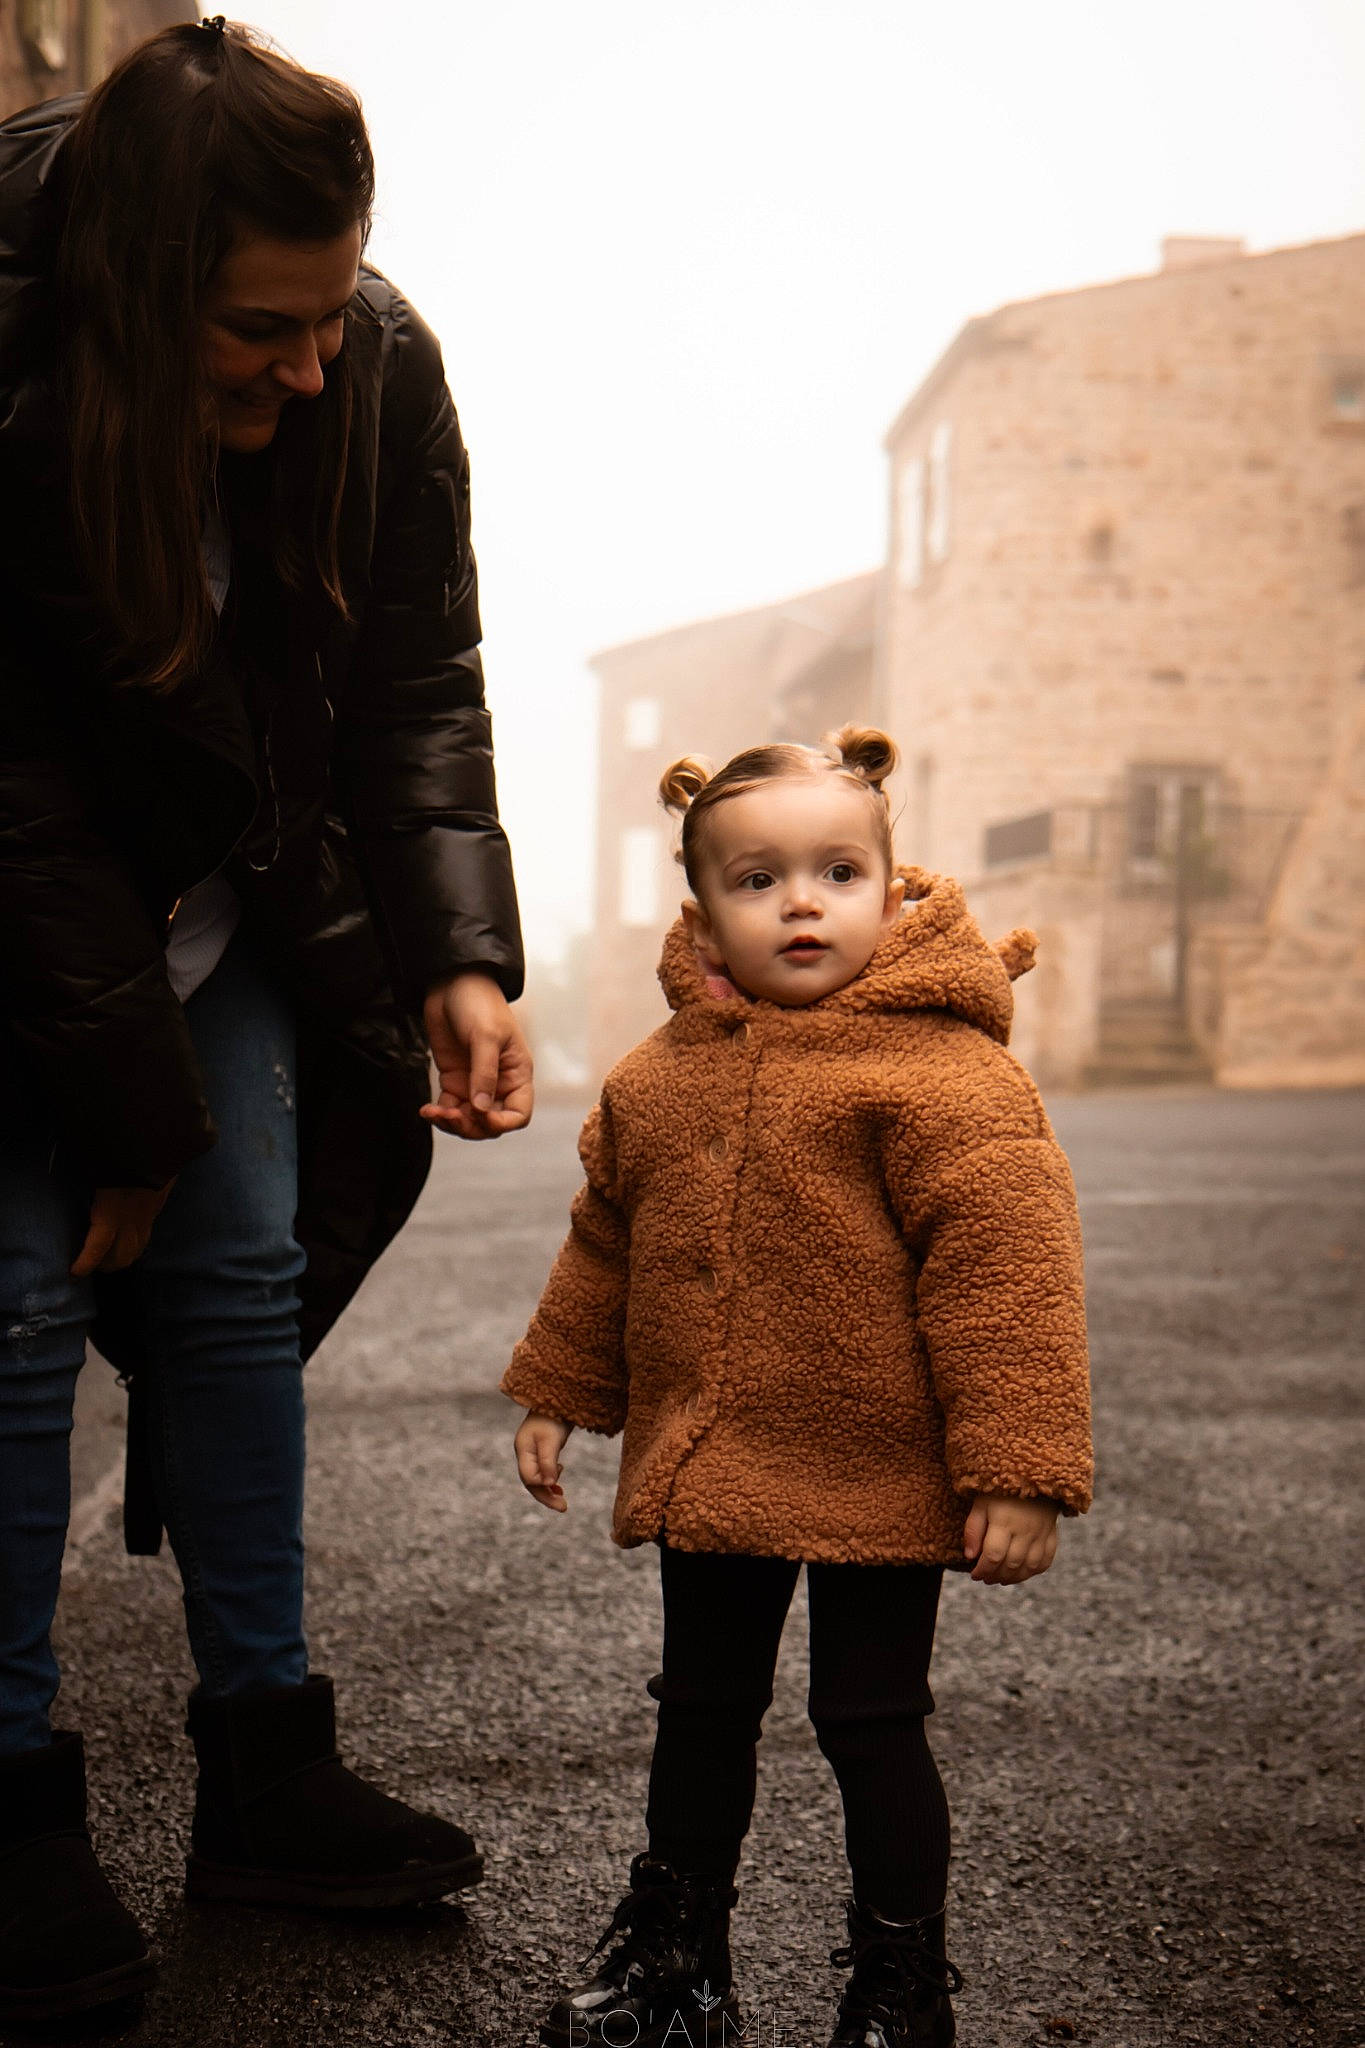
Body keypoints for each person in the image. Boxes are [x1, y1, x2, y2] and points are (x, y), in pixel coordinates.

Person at [0, 17, 531, 2027]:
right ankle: (8, 1810)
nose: (310, 367)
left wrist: (454, 955)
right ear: (135, 285)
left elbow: (415, 683)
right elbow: (19, 795)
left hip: (223, 896)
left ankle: (268, 1766)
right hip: (20, 896)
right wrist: (126, 1107)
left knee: (231, 1282)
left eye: (328, 318)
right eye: (258, 330)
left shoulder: (372, 360)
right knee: (21, 1299)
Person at [501, 728, 1093, 2048]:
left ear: (893, 889)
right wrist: (561, 1387)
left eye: (836, 870)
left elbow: (1009, 1275)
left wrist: (1013, 1465)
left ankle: (897, 1985)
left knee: (868, 1722)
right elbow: (608, 1239)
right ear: (702, 906)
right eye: (756, 880)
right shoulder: (660, 1079)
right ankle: (675, 1964)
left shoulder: (945, 1075)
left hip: (881, 1463)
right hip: (712, 1462)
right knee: (701, 1712)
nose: (802, 901)